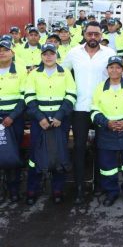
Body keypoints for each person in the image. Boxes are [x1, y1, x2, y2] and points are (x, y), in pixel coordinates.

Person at [62, 21, 115, 204]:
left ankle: (100, 185)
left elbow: (117, 75)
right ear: (84, 34)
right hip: (80, 108)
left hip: (102, 108)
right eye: (90, 34)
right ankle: (79, 187)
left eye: (96, 34)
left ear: (101, 35)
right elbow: (63, 71)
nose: (93, 37)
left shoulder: (109, 53)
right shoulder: (74, 53)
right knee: (79, 148)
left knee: (102, 147)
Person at [24, 43, 77, 205]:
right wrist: (39, 117)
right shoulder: (34, 74)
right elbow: (29, 97)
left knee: (59, 155)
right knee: (35, 155)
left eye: (51, 53)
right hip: (39, 121)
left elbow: (71, 95)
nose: (48, 56)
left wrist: (60, 115)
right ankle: (33, 189)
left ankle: (57, 190)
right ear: (41, 56)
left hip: (60, 121)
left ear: (56, 56)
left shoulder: (65, 73)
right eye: (45, 54)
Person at [90, 56, 123, 207]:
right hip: (107, 132)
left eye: (118, 67)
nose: (114, 70)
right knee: (108, 167)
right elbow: (94, 111)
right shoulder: (100, 87)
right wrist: (106, 123)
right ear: (107, 70)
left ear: (122, 70)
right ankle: (111, 192)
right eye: (111, 67)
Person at [0, 40, 27, 203]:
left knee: (13, 153)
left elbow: (25, 97)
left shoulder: (21, 70)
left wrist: (11, 117)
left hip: (14, 119)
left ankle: (14, 189)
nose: (2, 52)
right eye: (0, 50)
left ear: (12, 53)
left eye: (5, 49)